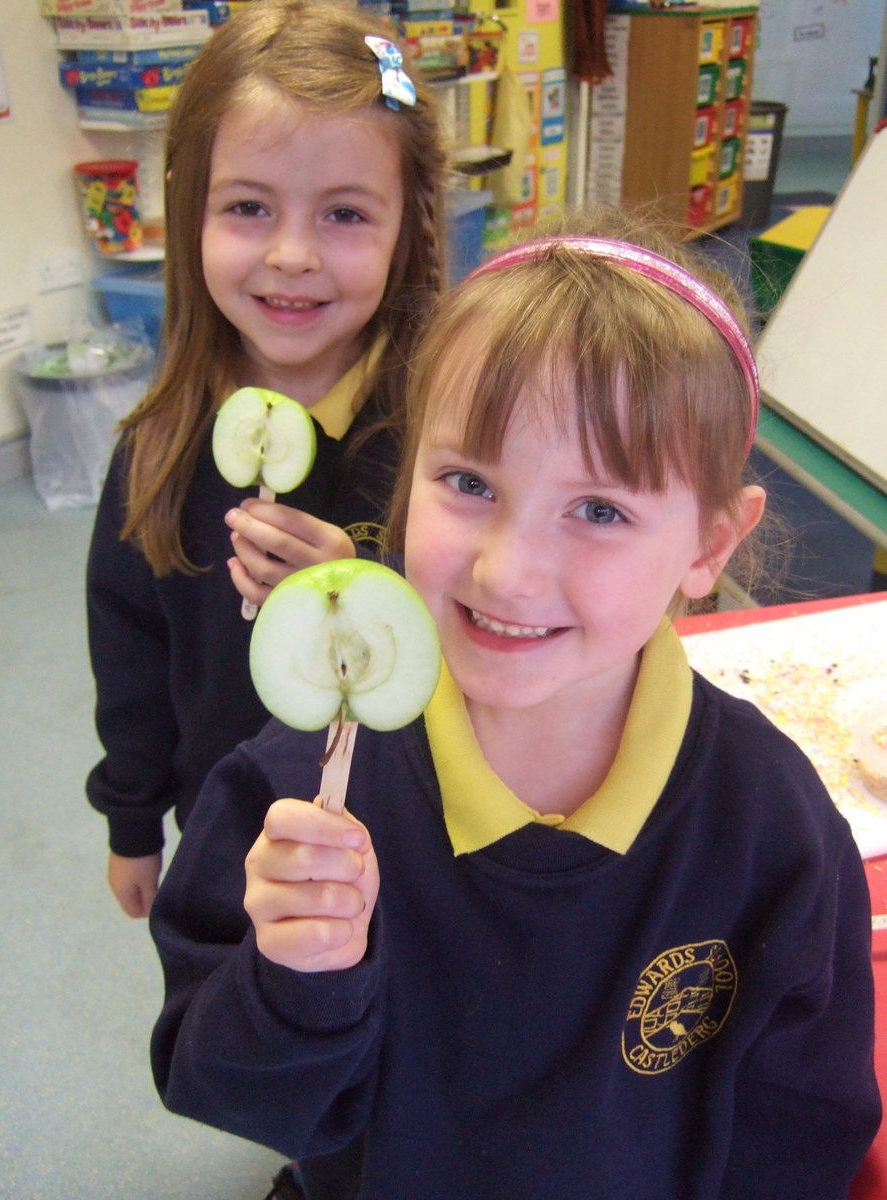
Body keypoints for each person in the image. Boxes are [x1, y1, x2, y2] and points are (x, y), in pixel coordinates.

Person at [149, 224, 880, 1200]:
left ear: (710, 544)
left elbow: (801, 1126)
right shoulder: (293, 792)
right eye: (468, 483)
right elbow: (233, 1099)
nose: (508, 570)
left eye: (601, 510)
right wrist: (298, 980)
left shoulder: (770, 822)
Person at [85, 0, 445, 918]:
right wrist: (132, 818)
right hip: (224, 830)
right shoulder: (158, 448)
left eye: (345, 215)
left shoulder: (445, 438)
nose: (291, 255)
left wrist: (361, 588)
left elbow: (491, 632)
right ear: (190, 209)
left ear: (409, 227)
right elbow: (130, 649)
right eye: (248, 207)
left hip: (409, 834)